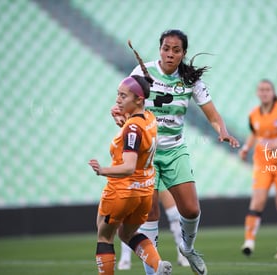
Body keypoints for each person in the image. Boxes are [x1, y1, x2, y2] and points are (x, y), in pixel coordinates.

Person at [112, 29, 239, 275]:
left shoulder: (191, 81)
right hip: (144, 153)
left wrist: (222, 131)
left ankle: (188, 248)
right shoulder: (141, 73)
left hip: (175, 150)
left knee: (191, 209)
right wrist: (118, 113)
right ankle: (153, 270)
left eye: (176, 50)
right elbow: (121, 103)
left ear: (183, 53)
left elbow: (213, 116)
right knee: (150, 212)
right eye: (166, 48)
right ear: (160, 49)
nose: (170, 54)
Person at [88, 74, 172, 275]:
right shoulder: (149, 118)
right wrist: (123, 121)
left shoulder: (132, 128)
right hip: (144, 192)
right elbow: (136, 134)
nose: (118, 99)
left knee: (104, 235)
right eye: (118, 94)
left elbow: (128, 167)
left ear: (138, 99)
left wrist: (102, 170)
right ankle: (158, 265)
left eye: (123, 96)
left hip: (121, 191)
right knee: (128, 233)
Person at [239, 79, 277, 259]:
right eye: (261, 90)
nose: (264, 92)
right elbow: (254, 133)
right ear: (258, 93)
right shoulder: (253, 114)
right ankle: (249, 241)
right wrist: (245, 148)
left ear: (273, 93)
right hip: (263, 163)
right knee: (257, 202)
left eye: (267, 90)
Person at [118, 189, 189, 270]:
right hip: (139, 179)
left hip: (158, 177)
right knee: (131, 213)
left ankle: (182, 253)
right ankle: (125, 258)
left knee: (174, 213)